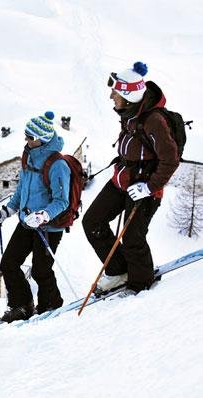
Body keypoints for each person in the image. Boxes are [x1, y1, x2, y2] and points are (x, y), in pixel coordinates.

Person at [86, 61, 180, 294]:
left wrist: (149, 187)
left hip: (145, 185)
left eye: (115, 93)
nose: (111, 97)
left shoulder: (154, 120)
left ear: (128, 96)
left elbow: (170, 159)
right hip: (123, 179)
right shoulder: (128, 112)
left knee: (132, 237)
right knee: (92, 222)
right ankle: (119, 271)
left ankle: (141, 283)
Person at [0, 112, 75, 324]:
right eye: (26, 135)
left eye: (30, 136)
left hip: (49, 226)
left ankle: (50, 306)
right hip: (26, 222)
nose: (26, 139)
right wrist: (8, 211)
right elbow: (22, 189)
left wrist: (43, 215)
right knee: (8, 263)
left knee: (40, 270)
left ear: (42, 139)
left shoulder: (58, 165)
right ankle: (22, 306)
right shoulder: (28, 155)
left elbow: (62, 201)